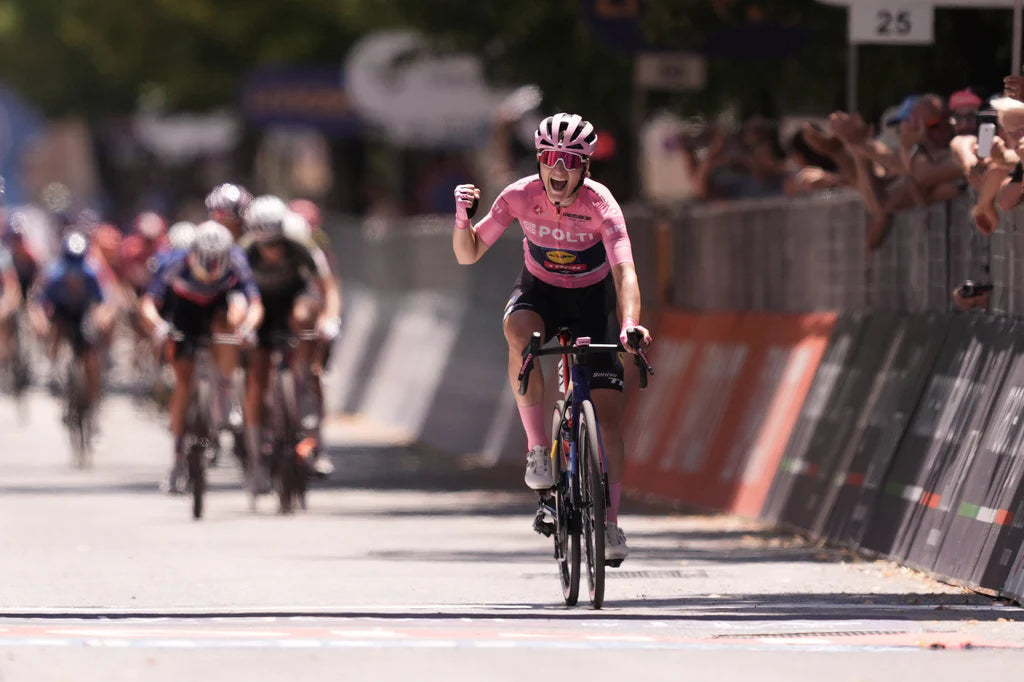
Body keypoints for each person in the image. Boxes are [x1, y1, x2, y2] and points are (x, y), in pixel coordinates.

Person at [452, 112, 652, 563]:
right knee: (520, 335)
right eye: (549, 157)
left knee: (610, 419)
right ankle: (538, 451)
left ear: (585, 167)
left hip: (590, 301)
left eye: (570, 160)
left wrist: (629, 325)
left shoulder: (602, 204)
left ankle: (612, 524)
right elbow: (468, 255)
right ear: (539, 160)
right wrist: (463, 220)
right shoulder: (519, 196)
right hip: (540, 292)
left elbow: (625, 273)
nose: (557, 169)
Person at [139, 221, 263, 493]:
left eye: (216, 260)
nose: (210, 265)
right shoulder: (175, 262)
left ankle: (225, 388)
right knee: (183, 382)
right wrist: (158, 327)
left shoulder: (237, 260)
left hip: (219, 308)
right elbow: (149, 303)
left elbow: (254, 302)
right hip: (186, 312)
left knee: (229, 322)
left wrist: (247, 329)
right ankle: (176, 459)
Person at [239, 196, 341, 483]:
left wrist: (330, 319)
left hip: (295, 303)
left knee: (309, 353)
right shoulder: (244, 251)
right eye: (265, 245)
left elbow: (328, 287)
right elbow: (233, 294)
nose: (271, 251)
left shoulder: (301, 245)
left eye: (276, 243)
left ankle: (316, 438)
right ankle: (257, 457)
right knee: (256, 378)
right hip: (260, 308)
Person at [28, 231, 116, 413]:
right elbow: (36, 304)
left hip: (82, 312)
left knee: (90, 357)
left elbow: (106, 302)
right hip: (61, 311)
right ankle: (54, 368)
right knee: (54, 332)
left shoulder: (92, 273)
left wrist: (103, 317)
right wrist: (40, 322)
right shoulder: (53, 274)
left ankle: (93, 402)